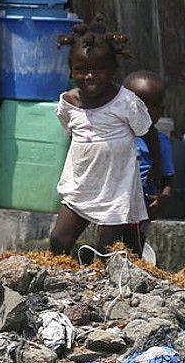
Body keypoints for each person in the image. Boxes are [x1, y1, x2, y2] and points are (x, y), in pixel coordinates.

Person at [48, 17, 156, 257]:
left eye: (98, 70)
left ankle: (122, 278)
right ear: (71, 70)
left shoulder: (126, 102)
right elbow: (72, 133)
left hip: (116, 187)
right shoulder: (68, 103)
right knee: (58, 241)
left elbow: (149, 134)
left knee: (105, 251)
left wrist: (160, 175)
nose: (90, 76)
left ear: (113, 70)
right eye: (81, 70)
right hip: (81, 184)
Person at [123, 70, 174, 239]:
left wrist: (163, 198)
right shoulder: (115, 135)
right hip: (113, 202)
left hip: (142, 206)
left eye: (155, 105)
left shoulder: (161, 143)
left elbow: (168, 179)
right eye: (141, 104)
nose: (147, 111)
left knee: (134, 242)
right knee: (108, 241)